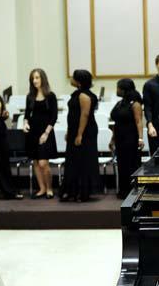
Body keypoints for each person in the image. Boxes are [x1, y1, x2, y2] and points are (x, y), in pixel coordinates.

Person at [60, 69, 101, 202]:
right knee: (73, 161)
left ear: (78, 81)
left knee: (82, 161)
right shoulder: (77, 94)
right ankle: (73, 190)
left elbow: (85, 115)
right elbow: (73, 115)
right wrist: (69, 130)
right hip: (75, 130)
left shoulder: (84, 96)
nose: (71, 79)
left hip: (84, 132)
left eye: (73, 77)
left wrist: (79, 134)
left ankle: (82, 192)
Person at [23, 68, 58, 199]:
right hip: (33, 132)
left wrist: (46, 133)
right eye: (33, 78)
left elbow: (53, 117)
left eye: (37, 77)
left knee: (44, 163)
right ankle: (42, 188)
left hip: (46, 132)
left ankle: (49, 188)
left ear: (43, 78)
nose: (35, 80)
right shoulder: (30, 96)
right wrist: (25, 123)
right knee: (36, 162)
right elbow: (27, 114)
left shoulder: (51, 96)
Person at [109, 79, 144, 199]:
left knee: (131, 165)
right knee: (122, 165)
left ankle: (133, 191)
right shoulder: (120, 103)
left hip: (131, 138)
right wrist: (112, 139)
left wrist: (140, 138)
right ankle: (124, 190)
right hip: (120, 139)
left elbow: (139, 122)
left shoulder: (135, 104)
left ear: (124, 89)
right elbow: (116, 123)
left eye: (118, 87)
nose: (116, 90)